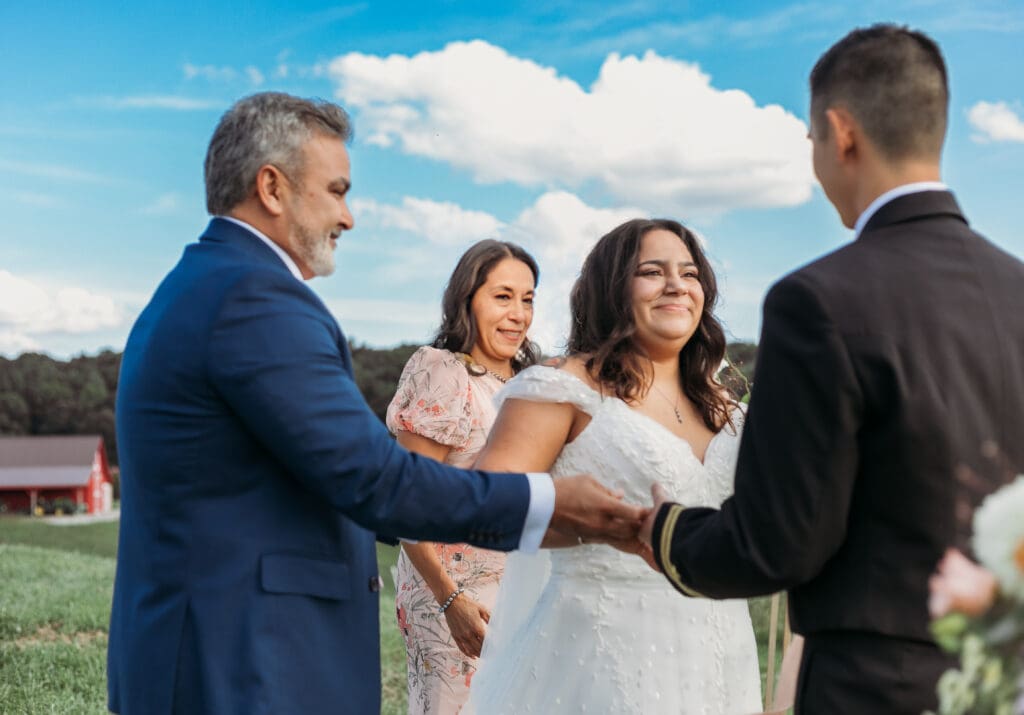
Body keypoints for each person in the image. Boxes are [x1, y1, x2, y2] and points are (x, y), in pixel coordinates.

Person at [106, 92, 647, 715]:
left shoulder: (208, 283)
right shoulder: (253, 300)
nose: (349, 216)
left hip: (215, 651)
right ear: (272, 187)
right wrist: (545, 502)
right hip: (240, 661)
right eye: (336, 190)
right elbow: (373, 481)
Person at [640, 24, 1024, 714]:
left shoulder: (816, 301)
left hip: (879, 689)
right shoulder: (1017, 289)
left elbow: (777, 543)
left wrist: (660, 531)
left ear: (841, 133)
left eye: (812, 141)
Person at [464, 219, 762, 714]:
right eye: (652, 270)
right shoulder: (564, 387)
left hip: (723, 651)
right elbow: (482, 508)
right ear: (612, 289)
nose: (676, 285)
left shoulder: (728, 409)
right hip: (602, 654)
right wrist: (591, 528)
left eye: (690, 274)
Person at [386, 239, 540, 713]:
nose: (518, 313)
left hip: (524, 592)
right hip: (453, 595)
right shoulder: (444, 372)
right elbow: (404, 499)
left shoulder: (533, 381)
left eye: (528, 298)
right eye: (503, 296)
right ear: (466, 299)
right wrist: (450, 599)